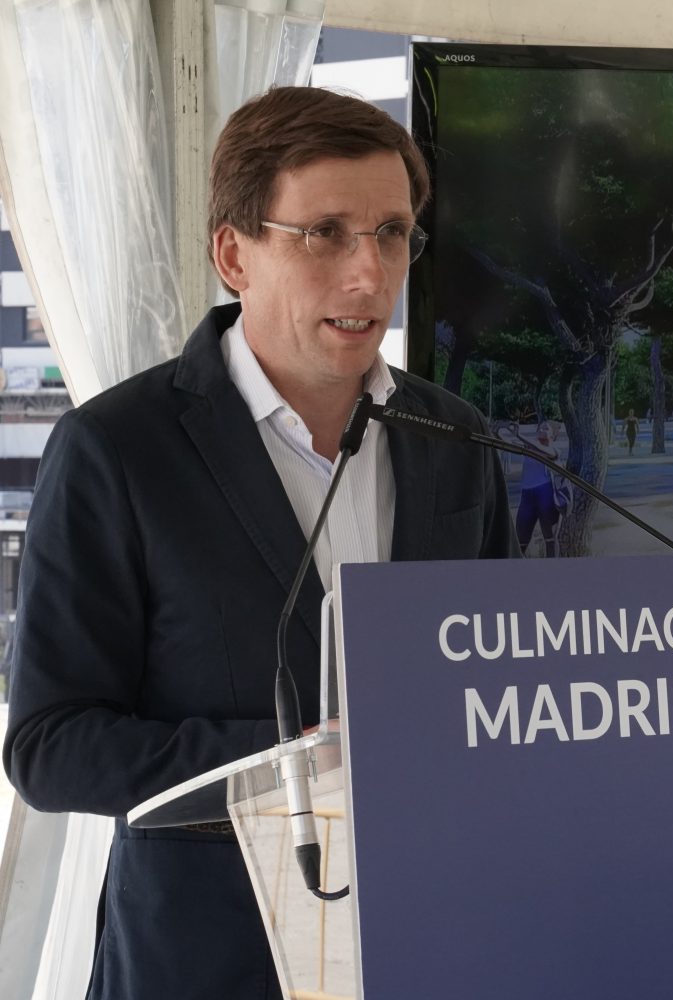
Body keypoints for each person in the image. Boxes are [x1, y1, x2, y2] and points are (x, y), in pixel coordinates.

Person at [1, 87, 518, 1000]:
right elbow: (52, 745)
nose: (370, 273)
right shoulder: (116, 449)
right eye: (325, 234)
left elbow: (495, 687)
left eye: (393, 233)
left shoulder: (456, 439)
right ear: (234, 254)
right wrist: (296, 764)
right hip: (208, 962)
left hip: (429, 940)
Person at [510, 419, 562, 556]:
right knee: (520, 541)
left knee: (550, 539)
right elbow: (508, 444)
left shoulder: (554, 451)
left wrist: (519, 435)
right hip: (527, 497)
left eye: (546, 428)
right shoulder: (529, 447)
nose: (541, 430)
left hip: (546, 496)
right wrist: (497, 432)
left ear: (553, 435)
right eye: (540, 428)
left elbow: (540, 448)